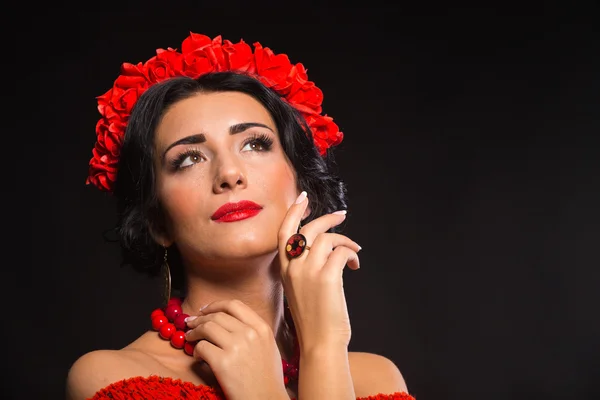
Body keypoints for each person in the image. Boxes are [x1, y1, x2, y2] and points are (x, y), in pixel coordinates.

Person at [66, 32, 415, 400]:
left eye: (255, 144)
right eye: (189, 159)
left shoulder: (377, 378)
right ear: (157, 221)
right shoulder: (111, 378)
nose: (229, 173)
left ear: (304, 189)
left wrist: (323, 347)